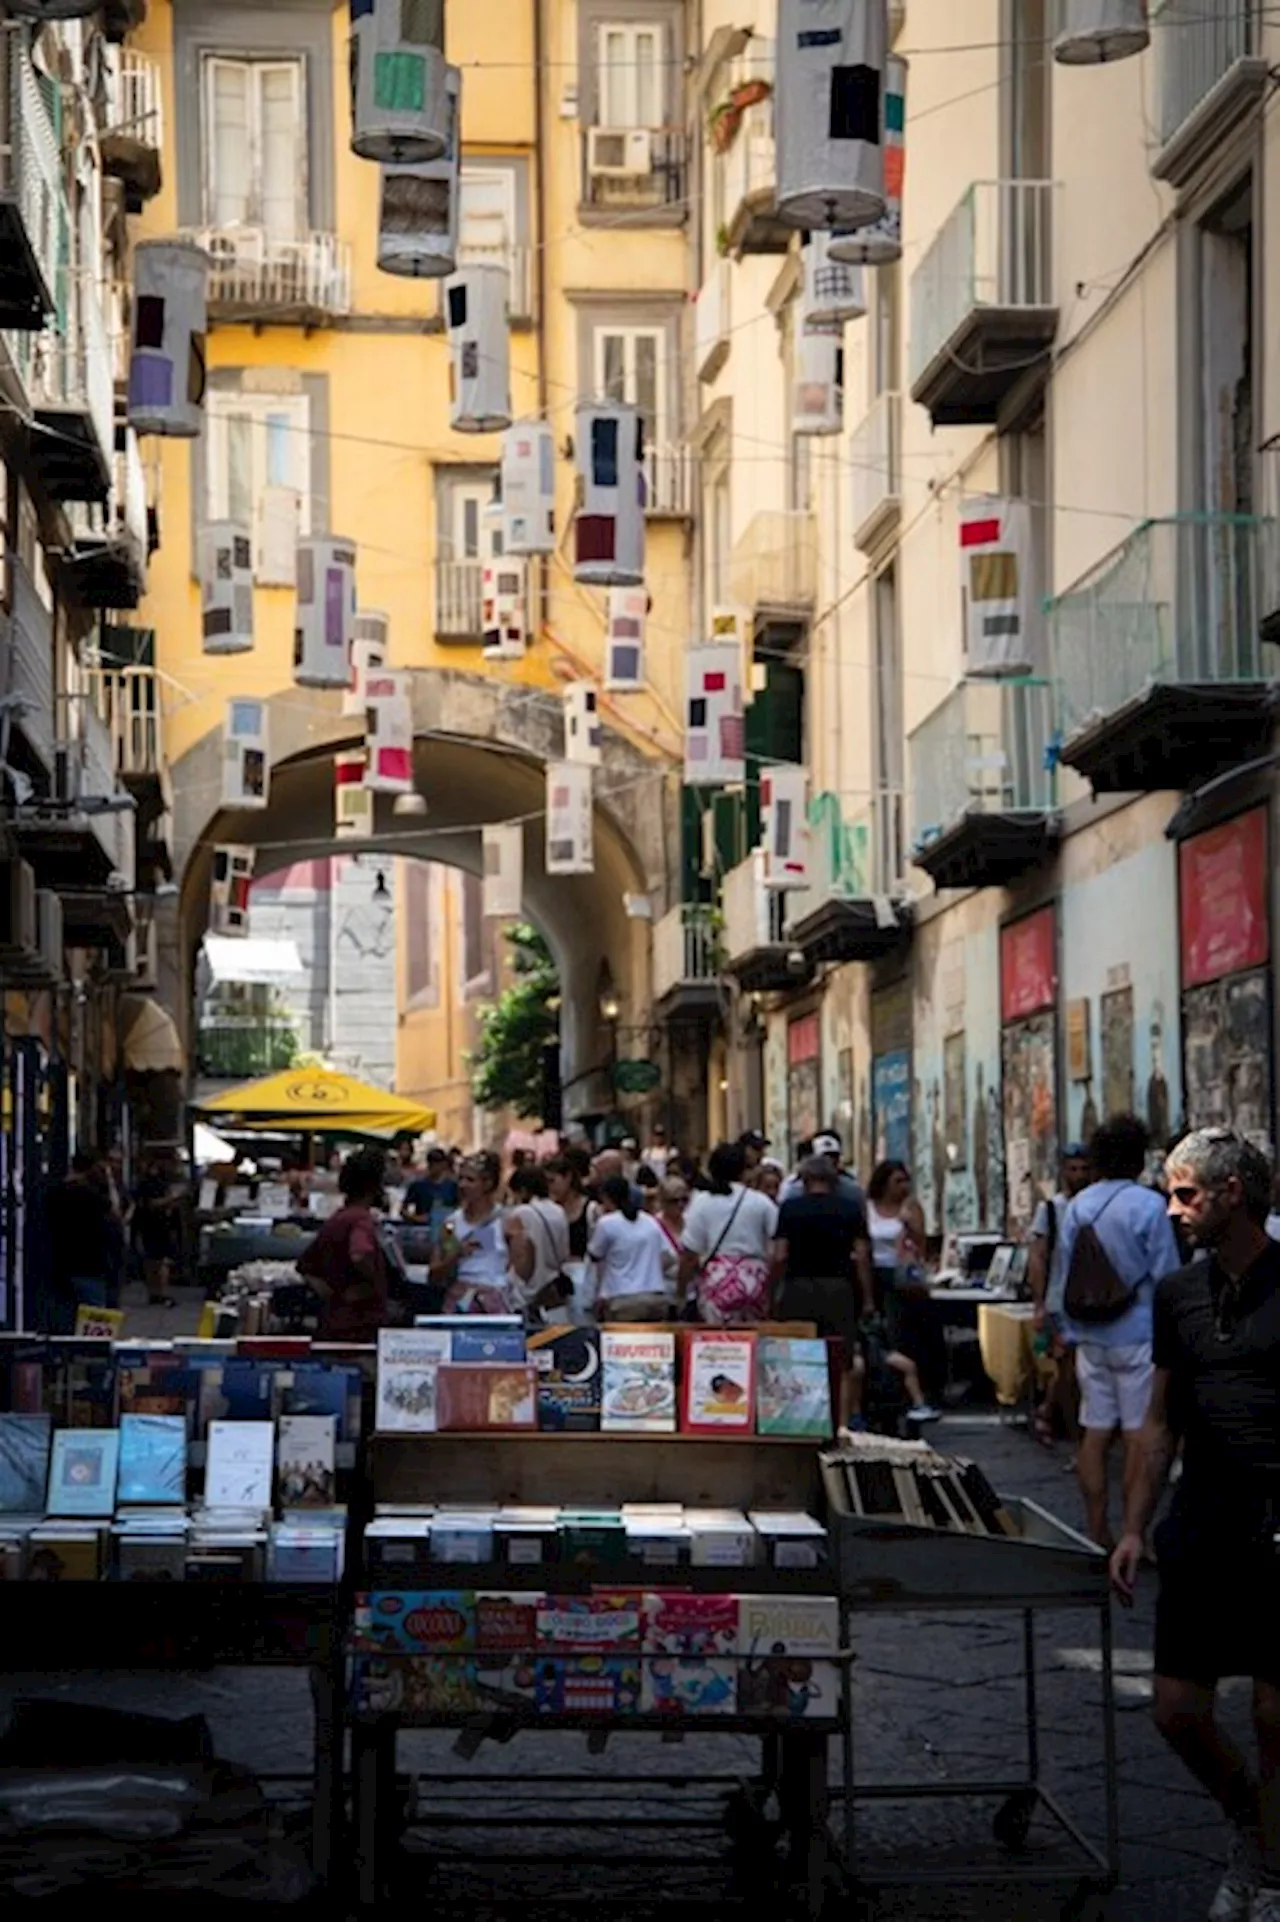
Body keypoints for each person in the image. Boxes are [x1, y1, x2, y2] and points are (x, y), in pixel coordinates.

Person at [1112, 1129, 1280, 1922]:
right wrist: (1134, 1525)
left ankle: (1271, 1873)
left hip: (1278, 1526)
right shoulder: (1179, 1294)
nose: (1173, 1209)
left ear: (1234, 1192)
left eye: (1187, 1195)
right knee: (1177, 1707)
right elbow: (1157, 1422)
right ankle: (1253, 1821)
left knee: (1275, 1714)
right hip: (1203, 1519)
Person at [1058, 1113, 1183, 1548]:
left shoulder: (1079, 1206)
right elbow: (1167, 1275)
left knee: (1094, 1431)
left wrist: (1069, 1330)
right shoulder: (1149, 1205)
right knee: (1138, 1434)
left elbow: (1065, 1274)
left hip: (1091, 1336)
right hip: (1140, 1333)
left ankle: (1096, 1528)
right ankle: (1136, 1532)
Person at [771, 1155, 874, 1432]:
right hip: (838, 1288)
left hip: (798, 1287)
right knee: (842, 1359)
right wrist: (867, 1298)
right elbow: (861, 1257)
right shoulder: (850, 1209)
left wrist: (773, 1291)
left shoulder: (790, 1209)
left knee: (797, 1354)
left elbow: (780, 1255)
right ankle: (840, 1426)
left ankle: (799, 1422)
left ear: (804, 1181)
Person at [859, 1160, 942, 1424]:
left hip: (902, 1277)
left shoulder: (910, 1207)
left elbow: (921, 1244)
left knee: (903, 1333)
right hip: (875, 1274)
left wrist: (911, 1226)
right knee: (877, 1334)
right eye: (897, 1181)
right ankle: (883, 1395)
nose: (903, 1187)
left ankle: (912, 1392)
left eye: (905, 1181)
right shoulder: (868, 1208)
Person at [1028, 1142, 1093, 1447]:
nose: (1079, 1174)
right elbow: (1038, 1256)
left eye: (1084, 1168)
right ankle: (1074, 1434)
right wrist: (1039, 1303)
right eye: (1073, 1168)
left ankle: (1050, 1415)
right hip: (1060, 1300)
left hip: (1092, 1300)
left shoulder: (1095, 1206)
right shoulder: (1051, 1210)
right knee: (1067, 1369)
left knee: (1081, 1369)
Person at [296, 1146, 393, 1343]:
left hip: (333, 1323)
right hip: (361, 1327)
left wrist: (332, 1294)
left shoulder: (337, 1219)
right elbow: (359, 1253)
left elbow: (304, 1266)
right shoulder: (361, 1220)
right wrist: (374, 1282)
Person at [680, 1141, 777, 1324]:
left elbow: (690, 1251)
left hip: (717, 1280)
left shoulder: (701, 1202)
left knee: (720, 1342)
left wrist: (681, 1290)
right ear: (743, 1170)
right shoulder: (761, 1202)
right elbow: (777, 1243)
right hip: (754, 1281)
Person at [588, 1174, 676, 1322]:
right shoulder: (650, 1221)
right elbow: (668, 1257)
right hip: (655, 1296)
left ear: (606, 1198)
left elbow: (595, 1254)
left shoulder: (607, 1223)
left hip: (622, 1298)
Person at [431, 1151, 510, 1313]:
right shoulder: (451, 1224)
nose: (463, 1185)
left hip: (495, 1300)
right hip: (461, 1300)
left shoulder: (507, 1221)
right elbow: (435, 1272)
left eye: (470, 1180)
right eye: (461, 1179)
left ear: (487, 1184)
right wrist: (456, 1253)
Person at [48, 1153, 115, 1333]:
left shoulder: (55, 1192)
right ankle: (93, 1353)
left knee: (64, 1318)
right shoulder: (92, 1195)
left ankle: (63, 1354)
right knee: (95, 1317)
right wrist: (109, 1180)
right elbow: (115, 1214)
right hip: (90, 1262)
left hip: (61, 1262)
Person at [505, 1163, 573, 1325]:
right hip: (553, 1290)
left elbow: (518, 1257)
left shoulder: (521, 1213)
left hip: (526, 1290)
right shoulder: (559, 1211)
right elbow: (564, 1253)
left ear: (522, 1190)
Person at [132, 1158, 180, 1308]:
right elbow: (153, 1204)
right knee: (162, 1261)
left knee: (151, 1260)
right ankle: (161, 1292)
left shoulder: (141, 1183)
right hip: (158, 1224)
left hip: (145, 1224)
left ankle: (153, 1292)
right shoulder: (154, 1184)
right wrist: (172, 1198)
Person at [402, 1148, 460, 1241]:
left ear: (444, 1164)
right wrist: (416, 1218)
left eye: (437, 1162)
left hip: (446, 1230)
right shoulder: (418, 1185)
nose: (434, 1166)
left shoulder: (453, 1186)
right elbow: (403, 1210)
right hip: (423, 1231)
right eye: (431, 1162)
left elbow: (460, 1210)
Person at [655, 1174, 690, 1271]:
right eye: (674, 1200)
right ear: (662, 1202)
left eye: (684, 1199)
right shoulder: (654, 1226)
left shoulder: (691, 1221)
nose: (680, 1204)